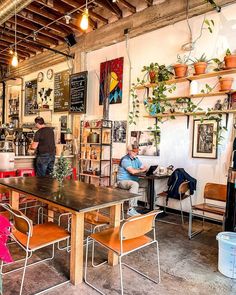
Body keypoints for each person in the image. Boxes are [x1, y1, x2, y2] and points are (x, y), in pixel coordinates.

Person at [117, 145, 147, 216]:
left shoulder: (136, 159)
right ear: (129, 151)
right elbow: (132, 171)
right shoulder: (125, 160)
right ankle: (130, 209)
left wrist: (144, 169)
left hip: (134, 180)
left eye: (137, 151)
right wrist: (141, 170)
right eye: (134, 151)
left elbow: (144, 167)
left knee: (148, 183)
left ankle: (151, 204)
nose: (136, 153)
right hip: (122, 181)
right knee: (135, 184)